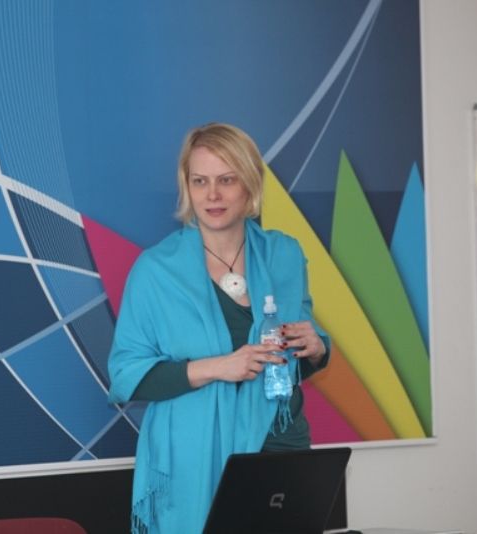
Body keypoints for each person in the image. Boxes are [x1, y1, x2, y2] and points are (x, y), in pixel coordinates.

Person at [107, 122, 330, 533]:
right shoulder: (155, 270)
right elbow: (125, 376)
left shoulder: (284, 253)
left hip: (280, 445)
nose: (212, 194)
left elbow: (292, 360)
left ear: (250, 184)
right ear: (187, 187)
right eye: (200, 181)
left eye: (226, 180)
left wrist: (316, 349)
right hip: (192, 457)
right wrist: (219, 367)